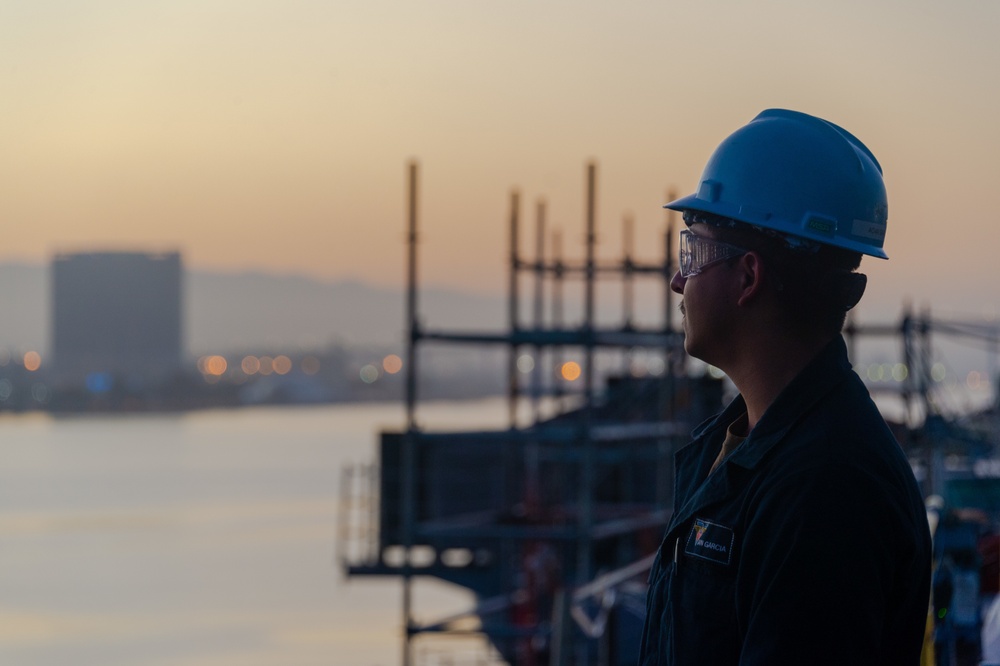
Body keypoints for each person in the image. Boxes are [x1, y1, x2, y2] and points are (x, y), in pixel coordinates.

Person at [637, 109, 932, 664]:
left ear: (749, 277)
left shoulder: (827, 488)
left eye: (692, 252)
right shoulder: (748, 448)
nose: (678, 280)